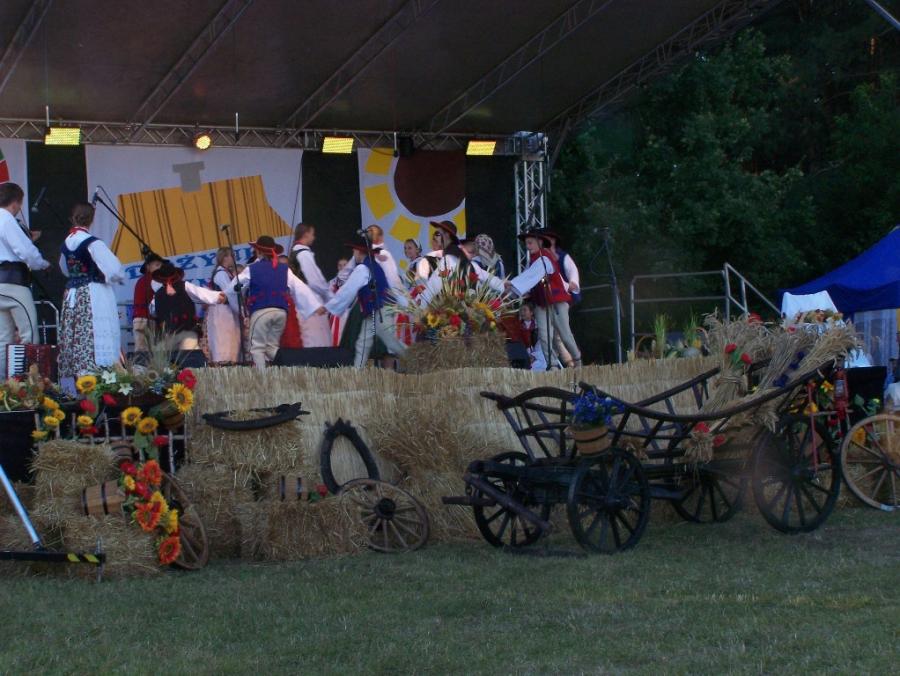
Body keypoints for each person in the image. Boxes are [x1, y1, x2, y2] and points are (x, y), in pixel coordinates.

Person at [227, 235, 325, 369]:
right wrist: (315, 305)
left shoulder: (252, 269)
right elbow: (299, 287)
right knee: (271, 347)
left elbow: (232, 289)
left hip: (261, 311)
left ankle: (263, 378)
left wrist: (236, 306)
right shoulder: (284, 269)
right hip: (281, 313)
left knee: (257, 347)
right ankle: (290, 368)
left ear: (259, 252)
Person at [58, 202, 125, 378]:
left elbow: (64, 269)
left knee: (74, 335)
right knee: (96, 332)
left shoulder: (66, 242)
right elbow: (115, 269)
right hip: (93, 292)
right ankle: (99, 378)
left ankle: (72, 382)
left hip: (73, 294)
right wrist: (111, 277)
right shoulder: (92, 243)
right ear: (91, 219)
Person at [505, 231, 582, 369]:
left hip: (556, 302)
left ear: (539, 242)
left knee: (565, 335)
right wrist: (513, 288)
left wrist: (513, 284)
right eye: (526, 243)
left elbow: (530, 276)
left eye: (530, 243)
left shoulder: (544, 258)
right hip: (541, 304)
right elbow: (528, 278)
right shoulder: (533, 261)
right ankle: (552, 365)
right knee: (544, 336)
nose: (528, 246)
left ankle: (577, 359)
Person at [326, 243, 407, 368]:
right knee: (363, 342)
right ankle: (357, 372)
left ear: (359, 252)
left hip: (381, 309)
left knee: (390, 342)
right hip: (375, 310)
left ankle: (417, 359)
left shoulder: (363, 268)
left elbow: (348, 290)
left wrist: (329, 307)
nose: (353, 255)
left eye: (354, 252)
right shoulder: (373, 265)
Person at [0, 182, 50, 379]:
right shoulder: (6, 218)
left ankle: (4, 386)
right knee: (29, 335)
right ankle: (28, 384)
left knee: (3, 338)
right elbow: (25, 251)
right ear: (16, 202)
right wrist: (43, 264)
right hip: (12, 282)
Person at [152, 261, 226, 351]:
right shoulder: (160, 294)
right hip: (173, 334)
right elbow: (200, 293)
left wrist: (217, 296)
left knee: (186, 354)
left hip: (183, 331)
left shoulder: (180, 287)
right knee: (170, 355)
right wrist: (218, 296)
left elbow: (200, 293)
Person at [290, 223, 333, 347]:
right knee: (317, 340)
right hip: (312, 303)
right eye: (312, 234)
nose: (314, 237)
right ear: (306, 234)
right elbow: (316, 281)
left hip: (300, 302)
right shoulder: (303, 254)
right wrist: (330, 298)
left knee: (307, 337)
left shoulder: (294, 252)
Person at [205, 247, 241, 363]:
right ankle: (226, 363)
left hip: (226, 310)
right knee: (225, 340)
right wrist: (240, 310)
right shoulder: (221, 274)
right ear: (225, 257)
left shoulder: (225, 273)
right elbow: (230, 293)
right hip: (222, 311)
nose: (234, 258)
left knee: (229, 339)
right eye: (232, 256)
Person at [132, 252, 164, 352]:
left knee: (141, 349)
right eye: (157, 265)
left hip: (138, 319)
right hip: (149, 319)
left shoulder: (140, 280)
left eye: (160, 265)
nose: (160, 268)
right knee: (154, 351)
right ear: (148, 266)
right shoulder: (155, 280)